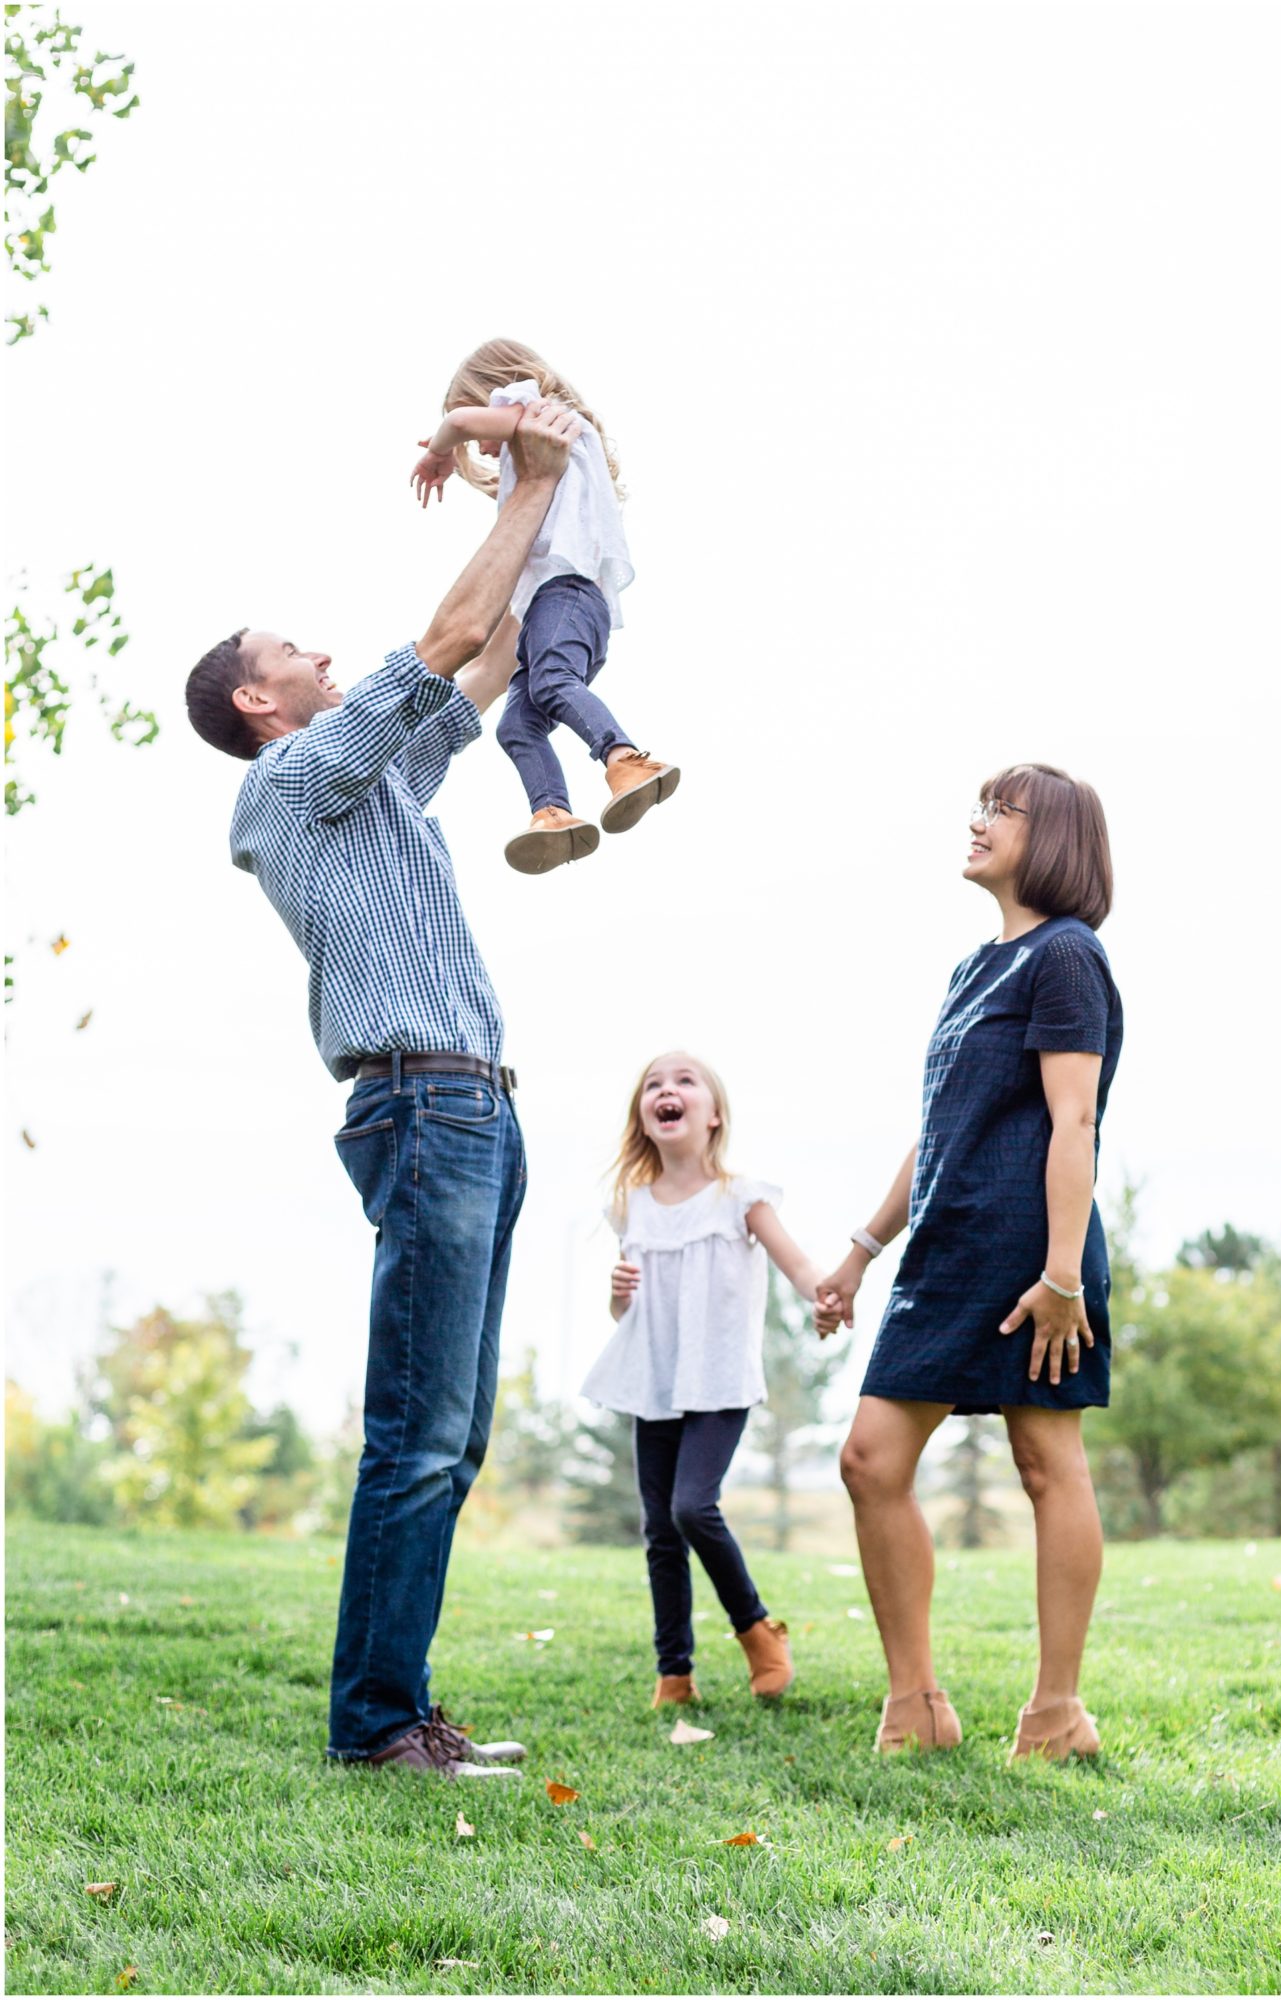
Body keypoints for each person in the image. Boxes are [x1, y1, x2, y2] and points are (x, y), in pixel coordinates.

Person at [183, 399, 582, 1780]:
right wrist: (525, 474)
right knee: (417, 1437)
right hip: (426, 1108)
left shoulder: (375, 790)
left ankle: (399, 1709)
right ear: (259, 698)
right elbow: (446, 642)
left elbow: (487, 663)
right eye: (298, 649)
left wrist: (555, 534)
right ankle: (375, 1729)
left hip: (477, 1109)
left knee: (452, 1441)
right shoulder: (294, 781)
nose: (325, 656)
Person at [816, 764, 1122, 1764]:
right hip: (945, 1255)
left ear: (1056, 837)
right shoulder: (969, 970)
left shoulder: (1067, 957)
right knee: (869, 1459)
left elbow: (1072, 1119)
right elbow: (941, 1130)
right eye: (981, 806)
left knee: (1046, 1463)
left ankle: (1057, 1710)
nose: (978, 821)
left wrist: (1064, 1275)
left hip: (1034, 1256)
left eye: (1002, 809)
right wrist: (860, 1251)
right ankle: (917, 1701)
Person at [582, 1051, 823, 1706]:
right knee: (659, 1527)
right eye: (654, 1084)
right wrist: (617, 1295)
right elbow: (625, 1312)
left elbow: (796, 1265)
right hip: (653, 1377)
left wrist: (824, 1296)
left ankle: (757, 1631)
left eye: (685, 1081)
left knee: (692, 1506)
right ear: (645, 1114)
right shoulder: (631, 1207)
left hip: (717, 1377)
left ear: (713, 1115)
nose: (667, 1089)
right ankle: (675, 1674)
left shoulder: (739, 1197)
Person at [411, 336, 679, 875]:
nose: (484, 448)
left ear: (498, 391)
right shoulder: (547, 460)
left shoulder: (544, 414)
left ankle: (624, 758)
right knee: (516, 727)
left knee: (553, 683)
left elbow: (465, 422)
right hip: (549, 618)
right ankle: (553, 813)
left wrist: (442, 447)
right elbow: (500, 477)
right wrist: (463, 465)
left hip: (569, 599)